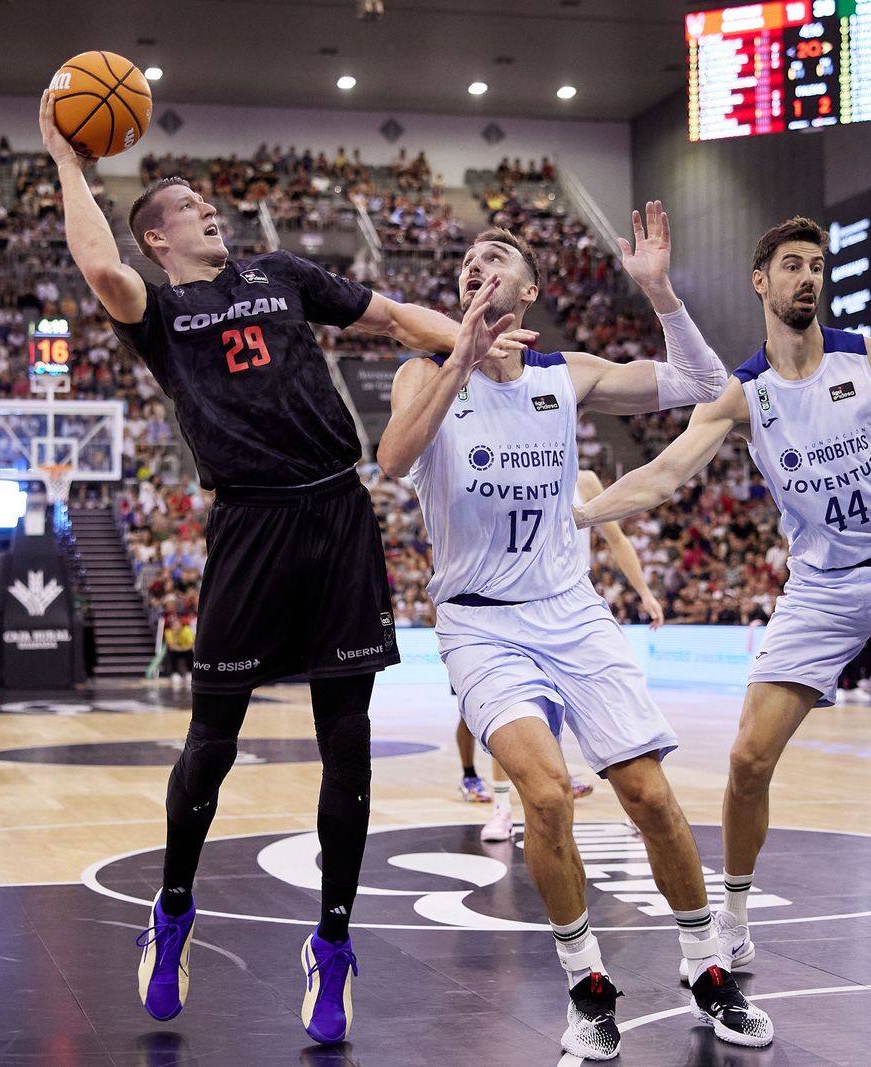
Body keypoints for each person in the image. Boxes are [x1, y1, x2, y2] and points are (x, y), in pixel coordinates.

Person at [38, 92, 531, 1044]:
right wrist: (68, 158)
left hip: (337, 510)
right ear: (158, 236)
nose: (210, 212)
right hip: (251, 529)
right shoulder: (158, 306)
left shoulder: (283, 271)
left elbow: (390, 319)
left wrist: (469, 340)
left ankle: (332, 945)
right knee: (211, 745)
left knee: (347, 741)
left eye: (207, 206)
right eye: (190, 209)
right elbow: (96, 262)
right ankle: (173, 913)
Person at [576, 215, 871, 1025]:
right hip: (820, 588)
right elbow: (659, 477)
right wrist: (575, 516)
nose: (808, 278)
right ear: (761, 282)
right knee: (748, 759)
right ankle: (736, 915)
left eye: (817, 267)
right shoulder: (743, 393)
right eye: (792, 265)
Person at [379, 206, 771, 1058]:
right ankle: (587, 984)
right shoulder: (425, 373)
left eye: (496, 262)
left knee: (651, 799)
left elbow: (705, 387)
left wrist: (662, 293)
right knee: (548, 796)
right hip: (481, 626)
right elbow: (393, 459)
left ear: (529, 292)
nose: (476, 270)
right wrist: (461, 358)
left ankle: (706, 964)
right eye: (468, 263)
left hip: (572, 613)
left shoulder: (568, 374)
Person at [463, 469, 666, 843]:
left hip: (572, 610)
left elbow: (617, 540)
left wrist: (645, 593)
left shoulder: (585, 480)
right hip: (510, 610)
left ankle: (638, 807)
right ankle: (503, 809)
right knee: (512, 713)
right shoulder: (507, 467)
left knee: (618, 717)